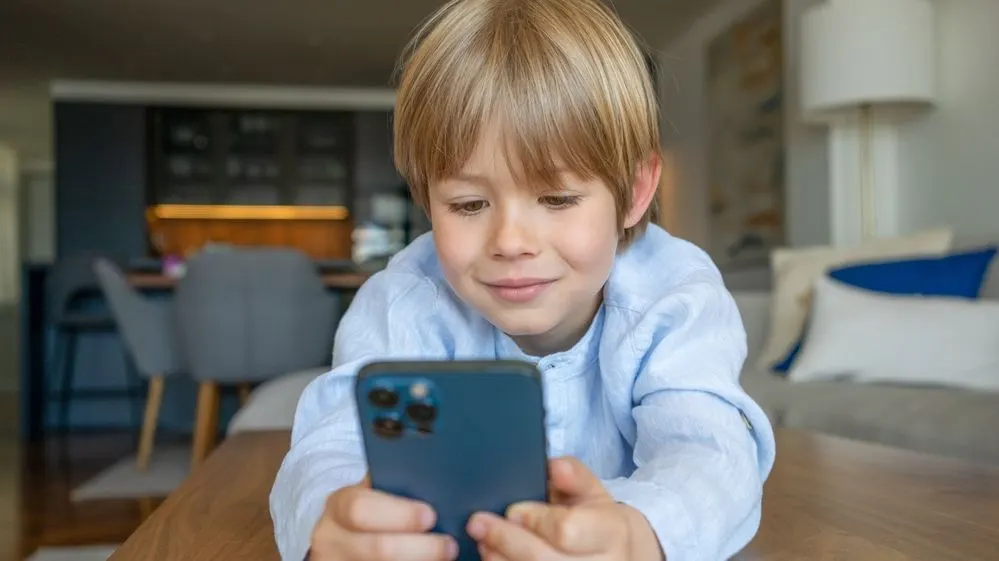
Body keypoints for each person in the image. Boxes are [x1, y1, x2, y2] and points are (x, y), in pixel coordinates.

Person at [270, 0, 776, 559]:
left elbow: (710, 453)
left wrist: (641, 535)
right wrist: (333, 524)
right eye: (468, 204)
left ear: (634, 192)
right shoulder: (402, 301)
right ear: (426, 200)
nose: (510, 242)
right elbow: (329, 448)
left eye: (557, 198)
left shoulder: (676, 296)